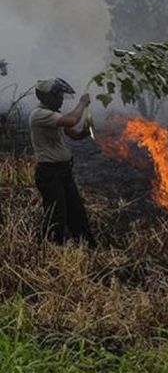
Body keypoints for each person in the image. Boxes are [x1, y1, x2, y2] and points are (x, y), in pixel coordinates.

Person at [29, 78, 96, 247]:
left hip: (64, 172)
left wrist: (86, 132)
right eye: (58, 96)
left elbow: (73, 133)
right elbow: (71, 120)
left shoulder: (54, 115)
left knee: (77, 214)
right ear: (47, 97)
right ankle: (50, 251)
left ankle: (88, 248)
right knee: (56, 217)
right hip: (50, 174)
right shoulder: (39, 115)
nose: (61, 100)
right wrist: (82, 102)